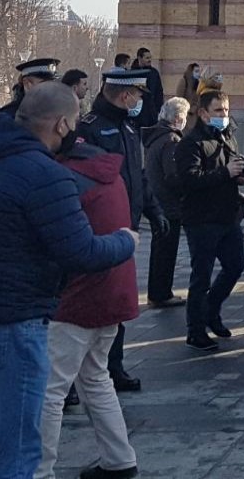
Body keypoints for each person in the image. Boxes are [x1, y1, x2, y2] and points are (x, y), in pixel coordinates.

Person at [0, 83, 138, 479]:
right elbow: (81, 253)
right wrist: (124, 241)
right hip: (17, 322)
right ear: (62, 124)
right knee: (18, 448)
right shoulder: (45, 175)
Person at [37, 128, 143, 479]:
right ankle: (119, 459)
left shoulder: (65, 178)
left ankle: (39, 470)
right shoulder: (109, 174)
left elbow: (61, 243)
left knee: (50, 390)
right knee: (95, 378)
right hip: (113, 291)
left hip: (77, 298)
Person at [77, 67, 164, 392]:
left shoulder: (128, 128)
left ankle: (114, 366)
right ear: (126, 95)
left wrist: (153, 210)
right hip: (99, 226)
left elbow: (137, 174)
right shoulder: (90, 128)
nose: (140, 101)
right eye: (138, 95)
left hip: (127, 223)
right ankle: (76, 372)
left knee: (119, 297)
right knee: (90, 296)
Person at [176, 90, 244, 351]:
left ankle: (211, 310)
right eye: (218, 111)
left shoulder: (227, 136)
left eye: (227, 110)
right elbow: (189, 180)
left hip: (228, 215)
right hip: (202, 219)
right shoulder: (191, 143)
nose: (224, 115)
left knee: (235, 267)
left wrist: (239, 175)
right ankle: (195, 330)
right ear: (204, 113)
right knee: (201, 276)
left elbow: (231, 168)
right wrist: (224, 173)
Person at [143, 97, 190, 308]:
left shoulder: (156, 136)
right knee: (166, 251)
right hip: (168, 204)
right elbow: (173, 175)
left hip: (156, 201)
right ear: (179, 117)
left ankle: (157, 291)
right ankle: (162, 293)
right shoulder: (171, 140)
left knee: (159, 249)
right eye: (186, 116)